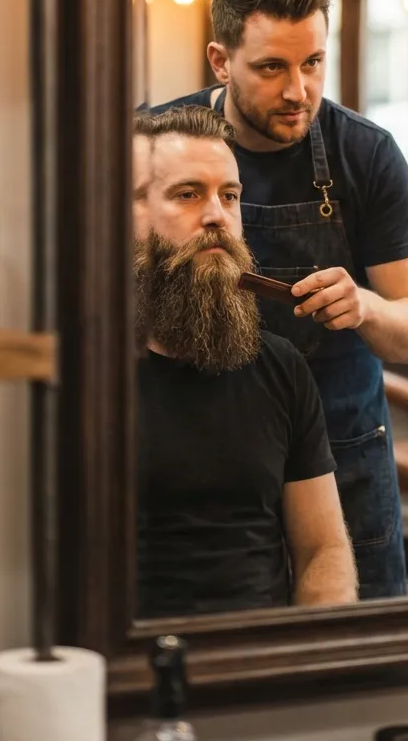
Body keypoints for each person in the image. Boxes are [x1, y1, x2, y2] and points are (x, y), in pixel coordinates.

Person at [141, 0, 408, 599]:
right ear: (220, 61)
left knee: (359, 659)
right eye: (272, 67)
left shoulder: (366, 154)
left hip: (343, 446)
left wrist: (367, 307)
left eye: (313, 64)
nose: (298, 90)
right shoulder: (168, 143)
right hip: (211, 455)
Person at [132, 104, 358, 618]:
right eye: (188, 194)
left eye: (229, 196)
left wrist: (317, 648)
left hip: (264, 657)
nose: (217, 215)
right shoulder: (88, 378)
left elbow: (323, 549)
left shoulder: (281, 367)